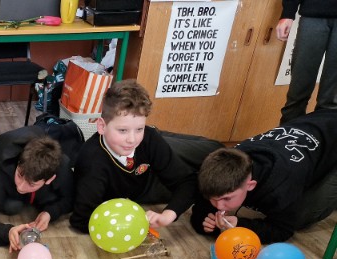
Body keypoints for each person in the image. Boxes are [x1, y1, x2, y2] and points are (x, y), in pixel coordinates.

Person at [69, 79, 216, 233]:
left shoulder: (148, 138)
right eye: (123, 130)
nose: (132, 139)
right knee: (202, 176)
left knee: (213, 149)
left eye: (139, 129)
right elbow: (82, 220)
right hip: (148, 188)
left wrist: (168, 215)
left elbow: (187, 181)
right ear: (101, 126)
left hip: (154, 162)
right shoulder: (92, 161)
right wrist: (129, 224)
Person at [190, 109, 337, 243]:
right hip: (314, 125)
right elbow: (200, 211)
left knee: (302, 219)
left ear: (250, 185)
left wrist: (241, 225)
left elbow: (283, 230)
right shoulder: (214, 172)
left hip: (330, 135)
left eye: (227, 199)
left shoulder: (281, 186)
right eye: (213, 199)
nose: (219, 206)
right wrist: (206, 223)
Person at [0, 126, 74, 251]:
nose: (20, 187)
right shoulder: (4, 167)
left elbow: (70, 199)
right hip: (1, 154)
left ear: (50, 179)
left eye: (31, 184)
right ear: (18, 164)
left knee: (46, 199)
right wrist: (8, 232)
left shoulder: (63, 168)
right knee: (11, 206)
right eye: (19, 175)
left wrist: (50, 213)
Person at [276, 0, 337, 123]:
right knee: (297, 94)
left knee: (330, 102)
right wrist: (288, 13)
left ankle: (319, 134)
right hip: (313, 12)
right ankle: (288, 133)